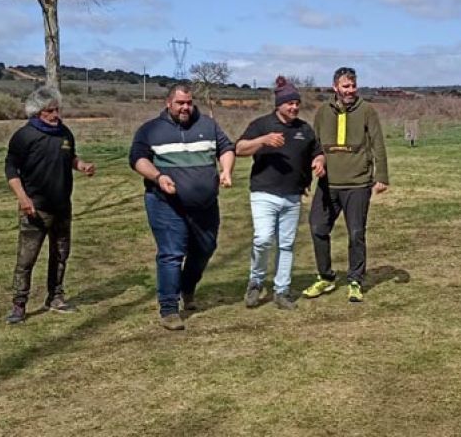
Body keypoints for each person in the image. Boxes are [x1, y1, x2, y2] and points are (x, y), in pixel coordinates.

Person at [129, 83, 235, 330]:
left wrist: (226, 170)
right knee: (171, 253)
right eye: (180, 103)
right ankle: (169, 308)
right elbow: (137, 159)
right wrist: (158, 177)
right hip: (165, 203)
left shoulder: (208, 125)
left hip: (205, 205)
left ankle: (187, 288)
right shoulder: (151, 129)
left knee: (205, 248)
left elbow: (226, 148)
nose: (186, 107)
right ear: (169, 103)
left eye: (189, 102)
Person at [4, 86, 96, 324]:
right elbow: (11, 169)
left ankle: (55, 297)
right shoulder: (24, 136)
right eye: (50, 111)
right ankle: (19, 304)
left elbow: (70, 157)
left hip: (62, 207)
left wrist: (81, 165)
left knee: (61, 254)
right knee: (26, 260)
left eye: (57, 109)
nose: (56, 115)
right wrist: (23, 198)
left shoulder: (64, 133)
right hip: (35, 208)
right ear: (37, 112)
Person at [236, 76, 326, 310]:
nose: (294, 107)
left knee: (286, 244)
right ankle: (256, 281)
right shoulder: (261, 125)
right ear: (279, 105)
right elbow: (239, 148)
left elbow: (317, 152)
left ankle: (282, 290)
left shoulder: (304, 129)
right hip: (264, 193)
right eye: (290, 103)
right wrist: (263, 141)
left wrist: (319, 161)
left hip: (293, 196)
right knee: (263, 239)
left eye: (297, 103)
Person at [303, 66, 389, 303]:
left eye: (353, 86)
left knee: (356, 233)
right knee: (318, 228)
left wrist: (382, 176)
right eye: (346, 86)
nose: (350, 90)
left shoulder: (367, 110)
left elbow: (378, 144)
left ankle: (355, 280)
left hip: (357, 184)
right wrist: (306, 176)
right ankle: (325, 277)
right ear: (335, 87)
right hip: (328, 184)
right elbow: (314, 147)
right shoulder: (323, 112)